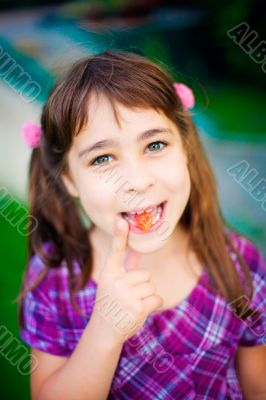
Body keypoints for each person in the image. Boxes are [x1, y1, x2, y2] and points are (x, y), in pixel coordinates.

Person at [17, 50, 266, 400]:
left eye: (155, 144)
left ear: (185, 150)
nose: (135, 180)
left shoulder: (237, 262)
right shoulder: (57, 278)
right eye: (102, 158)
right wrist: (104, 332)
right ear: (69, 179)